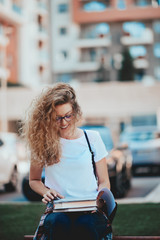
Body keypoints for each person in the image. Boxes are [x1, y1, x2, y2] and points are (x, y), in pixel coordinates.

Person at [23, 83, 117, 240]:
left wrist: (100, 199)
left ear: (76, 112)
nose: (64, 122)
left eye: (68, 115)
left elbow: (104, 181)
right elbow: (34, 180)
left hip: (90, 208)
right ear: (48, 118)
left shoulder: (92, 138)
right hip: (58, 209)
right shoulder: (42, 141)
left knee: (86, 225)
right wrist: (46, 192)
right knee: (58, 224)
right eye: (57, 118)